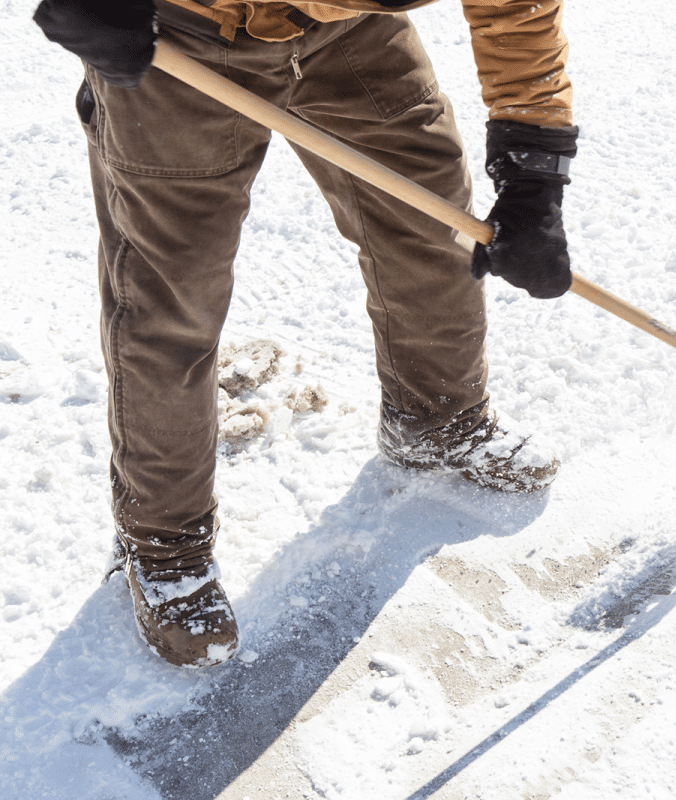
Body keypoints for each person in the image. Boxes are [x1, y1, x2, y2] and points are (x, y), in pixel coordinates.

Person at [33, 0, 578, 669]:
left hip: (350, 29)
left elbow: (517, 11)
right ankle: (165, 545)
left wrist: (533, 174)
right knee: (171, 300)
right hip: (188, 32)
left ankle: (436, 421)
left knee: (428, 223)